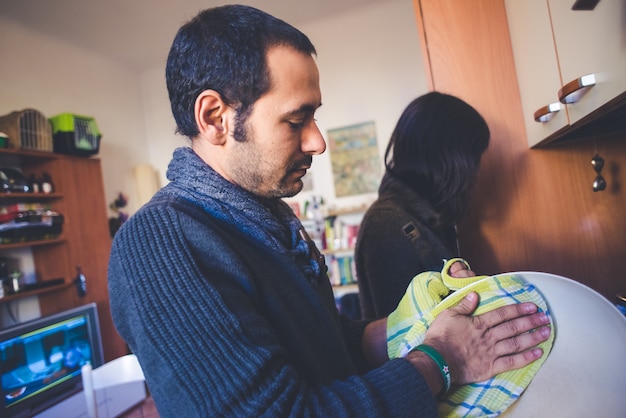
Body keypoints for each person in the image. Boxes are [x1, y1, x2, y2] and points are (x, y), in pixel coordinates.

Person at [107, 5, 550, 417]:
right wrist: (441, 360)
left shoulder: (266, 219)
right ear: (215, 118)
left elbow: (326, 346)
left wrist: (417, 318)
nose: (317, 141)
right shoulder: (160, 242)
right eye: (296, 120)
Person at [355, 92, 490, 320]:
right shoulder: (388, 223)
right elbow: (403, 335)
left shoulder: (428, 217)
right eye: (473, 159)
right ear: (447, 159)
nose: (475, 172)